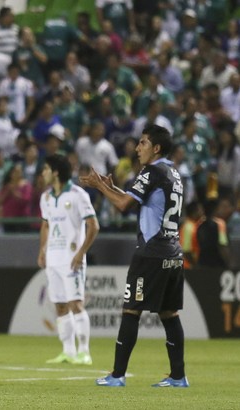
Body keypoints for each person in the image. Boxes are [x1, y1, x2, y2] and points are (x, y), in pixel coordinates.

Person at [80, 124, 188, 388]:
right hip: (173, 252)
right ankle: (178, 376)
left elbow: (123, 205)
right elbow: (137, 200)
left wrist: (99, 187)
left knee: (131, 310)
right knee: (169, 314)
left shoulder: (151, 171)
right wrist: (114, 188)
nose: (137, 148)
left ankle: (117, 375)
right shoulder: (172, 172)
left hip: (151, 253)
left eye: (142, 143)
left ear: (156, 148)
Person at [39, 154, 99, 365]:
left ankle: (84, 352)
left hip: (72, 259)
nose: (43, 173)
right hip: (53, 259)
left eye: (46, 168)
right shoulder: (46, 198)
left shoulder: (77, 195)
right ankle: (68, 351)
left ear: (56, 172)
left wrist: (81, 252)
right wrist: (42, 250)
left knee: (75, 304)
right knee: (60, 306)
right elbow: (46, 225)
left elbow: (94, 225)